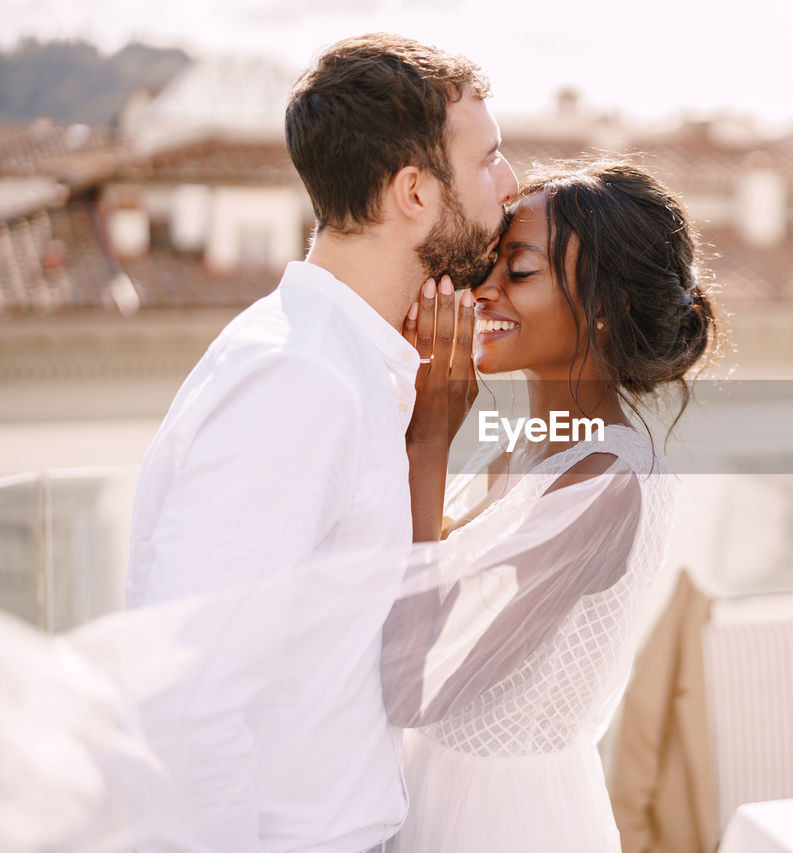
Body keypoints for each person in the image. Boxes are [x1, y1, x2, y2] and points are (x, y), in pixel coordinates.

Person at [122, 33, 517, 851]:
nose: (509, 187)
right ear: (415, 191)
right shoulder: (299, 381)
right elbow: (185, 697)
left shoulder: (348, 366)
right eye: (489, 161)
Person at [380, 161, 718, 852]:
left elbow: (413, 683)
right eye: (488, 266)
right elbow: (420, 569)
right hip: (443, 793)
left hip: (506, 823)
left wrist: (430, 441)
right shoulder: (534, 447)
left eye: (520, 271)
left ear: (605, 305)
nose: (485, 291)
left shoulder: (605, 482)